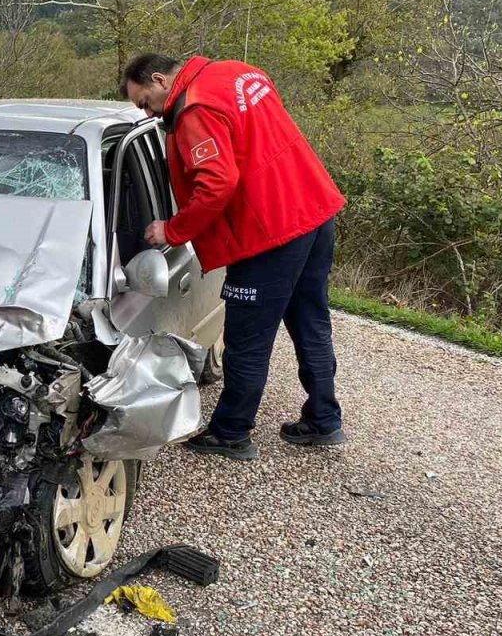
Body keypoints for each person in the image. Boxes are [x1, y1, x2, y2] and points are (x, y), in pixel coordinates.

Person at [121, 52, 347, 461]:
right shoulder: (238, 72)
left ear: (160, 79)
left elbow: (217, 185)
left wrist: (173, 230)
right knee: (310, 320)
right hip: (313, 209)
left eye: (146, 102)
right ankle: (324, 419)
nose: (150, 113)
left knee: (246, 338)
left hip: (268, 232)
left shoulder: (195, 109)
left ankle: (231, 433)